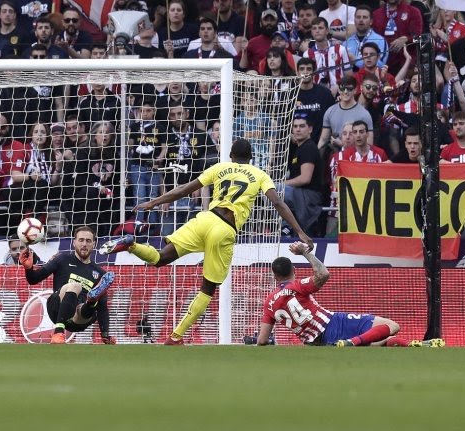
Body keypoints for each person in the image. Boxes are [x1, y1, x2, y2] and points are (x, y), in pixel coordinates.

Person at [100, 138, 313, 344]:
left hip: (205, 219)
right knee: (207, 289)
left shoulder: (219, 168)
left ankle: (131, 244)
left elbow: (183, 190)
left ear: (230, 156)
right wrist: (300, 232)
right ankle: (176, 336)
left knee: (160, 258)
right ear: (251, 158)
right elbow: (277, 203)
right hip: (224, 229)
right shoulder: (259, 174)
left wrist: (153, 202)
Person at [253, 241, 444, 347]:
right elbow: (323, 274)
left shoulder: (269, 302)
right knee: (392, 325)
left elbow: (262, 340)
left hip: (314, 343)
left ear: (274, 275)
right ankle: (351, 342)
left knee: (379, 343)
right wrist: (305, 253)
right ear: (293, 269)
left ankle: (408, 345)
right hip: (332, 323)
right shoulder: (298, 286)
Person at [21, 225, 116, 344]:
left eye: (88, 241)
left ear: (94, 244)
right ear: (74, 242)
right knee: (75, 286)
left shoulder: (100, 273)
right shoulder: (62, 258)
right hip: (57, 308)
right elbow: (34, 280)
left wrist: (105, 334)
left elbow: (103, 308)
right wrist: (28, 268)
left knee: (91, 304)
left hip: (78, 319)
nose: (84, 244)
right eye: (81, 240)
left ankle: (91, 302)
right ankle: (58, 333)